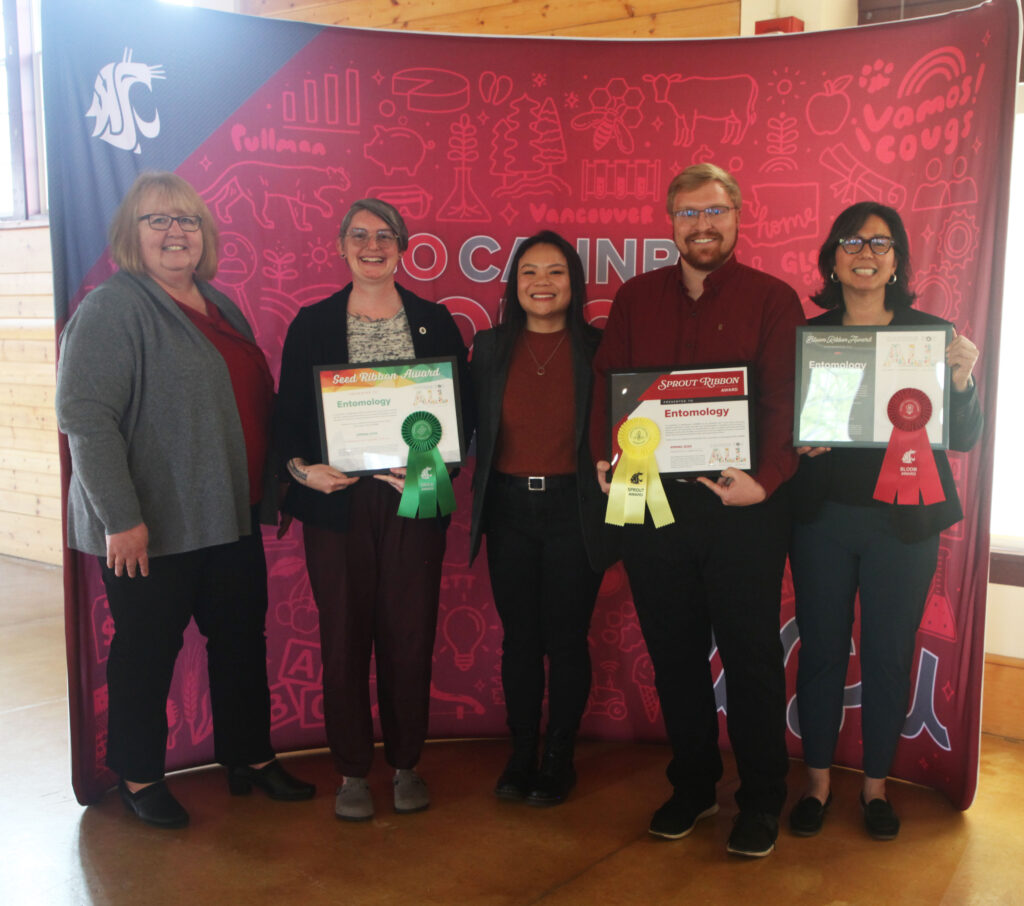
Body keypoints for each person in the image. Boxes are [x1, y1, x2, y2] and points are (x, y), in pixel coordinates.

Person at [55, 171, 315, 829]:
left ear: (205, 235)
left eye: (187, 221)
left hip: (228, 514)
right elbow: (85, 417)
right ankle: (139, 775)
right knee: (146, 652)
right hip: (149, 527)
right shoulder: (112, 308)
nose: (176, 233)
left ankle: (249, 758)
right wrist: (122, 517)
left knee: (240, 644)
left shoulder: (219, 302)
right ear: (130, 236)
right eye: (158, 221)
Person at [590, 163, 805, 858]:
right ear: (670, 221)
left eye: (714, 211)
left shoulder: (773, 299)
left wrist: (767, 481)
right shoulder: (634, 298)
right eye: (688, 213)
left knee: (749, 660)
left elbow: (785, 403)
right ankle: (692, 785)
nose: (702, 225)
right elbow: (607, 387)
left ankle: (763, 797)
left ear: (738, 216)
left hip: (744, 510)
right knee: (674, 655)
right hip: (652, 505)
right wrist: (606, 453)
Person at [788, 201, 981, 841]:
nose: (864, 252)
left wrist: (960, 383)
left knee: (889, 655)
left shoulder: (933, 335)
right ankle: (816, 782)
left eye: (880, 242)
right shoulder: (808, 335)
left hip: (906, 525)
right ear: (831, 260)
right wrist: (796, 440)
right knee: (820, 650)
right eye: (850, 241)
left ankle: (875, 787)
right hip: (822, 518)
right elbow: (784, 426)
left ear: (896, 259)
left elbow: (964, 438)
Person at [275, 198, 473, 822]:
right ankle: (352, 771)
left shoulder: (436, 322)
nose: (372, 244)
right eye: (358, 234)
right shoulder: (310, 323)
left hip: (413, 499)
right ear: (340, 245)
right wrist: (305, 472)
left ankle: (407, 763)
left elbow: (459, 419)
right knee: (343, 636)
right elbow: (286, 423)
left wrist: (432, 468)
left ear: (403, 247)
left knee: (409, 634)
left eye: (384, 235)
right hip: (337, 508)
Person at [469, 231, 612, 806]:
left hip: (575, 510)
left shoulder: (600, 349)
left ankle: (559, 756)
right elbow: (451, 421)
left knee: (567, 639)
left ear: (574, 283)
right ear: (514, 282)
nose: (542, 283)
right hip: (508, 509)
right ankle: (520, 752)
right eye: (529, 272)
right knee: (520, 640)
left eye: (556, 272)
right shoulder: (489, 347)